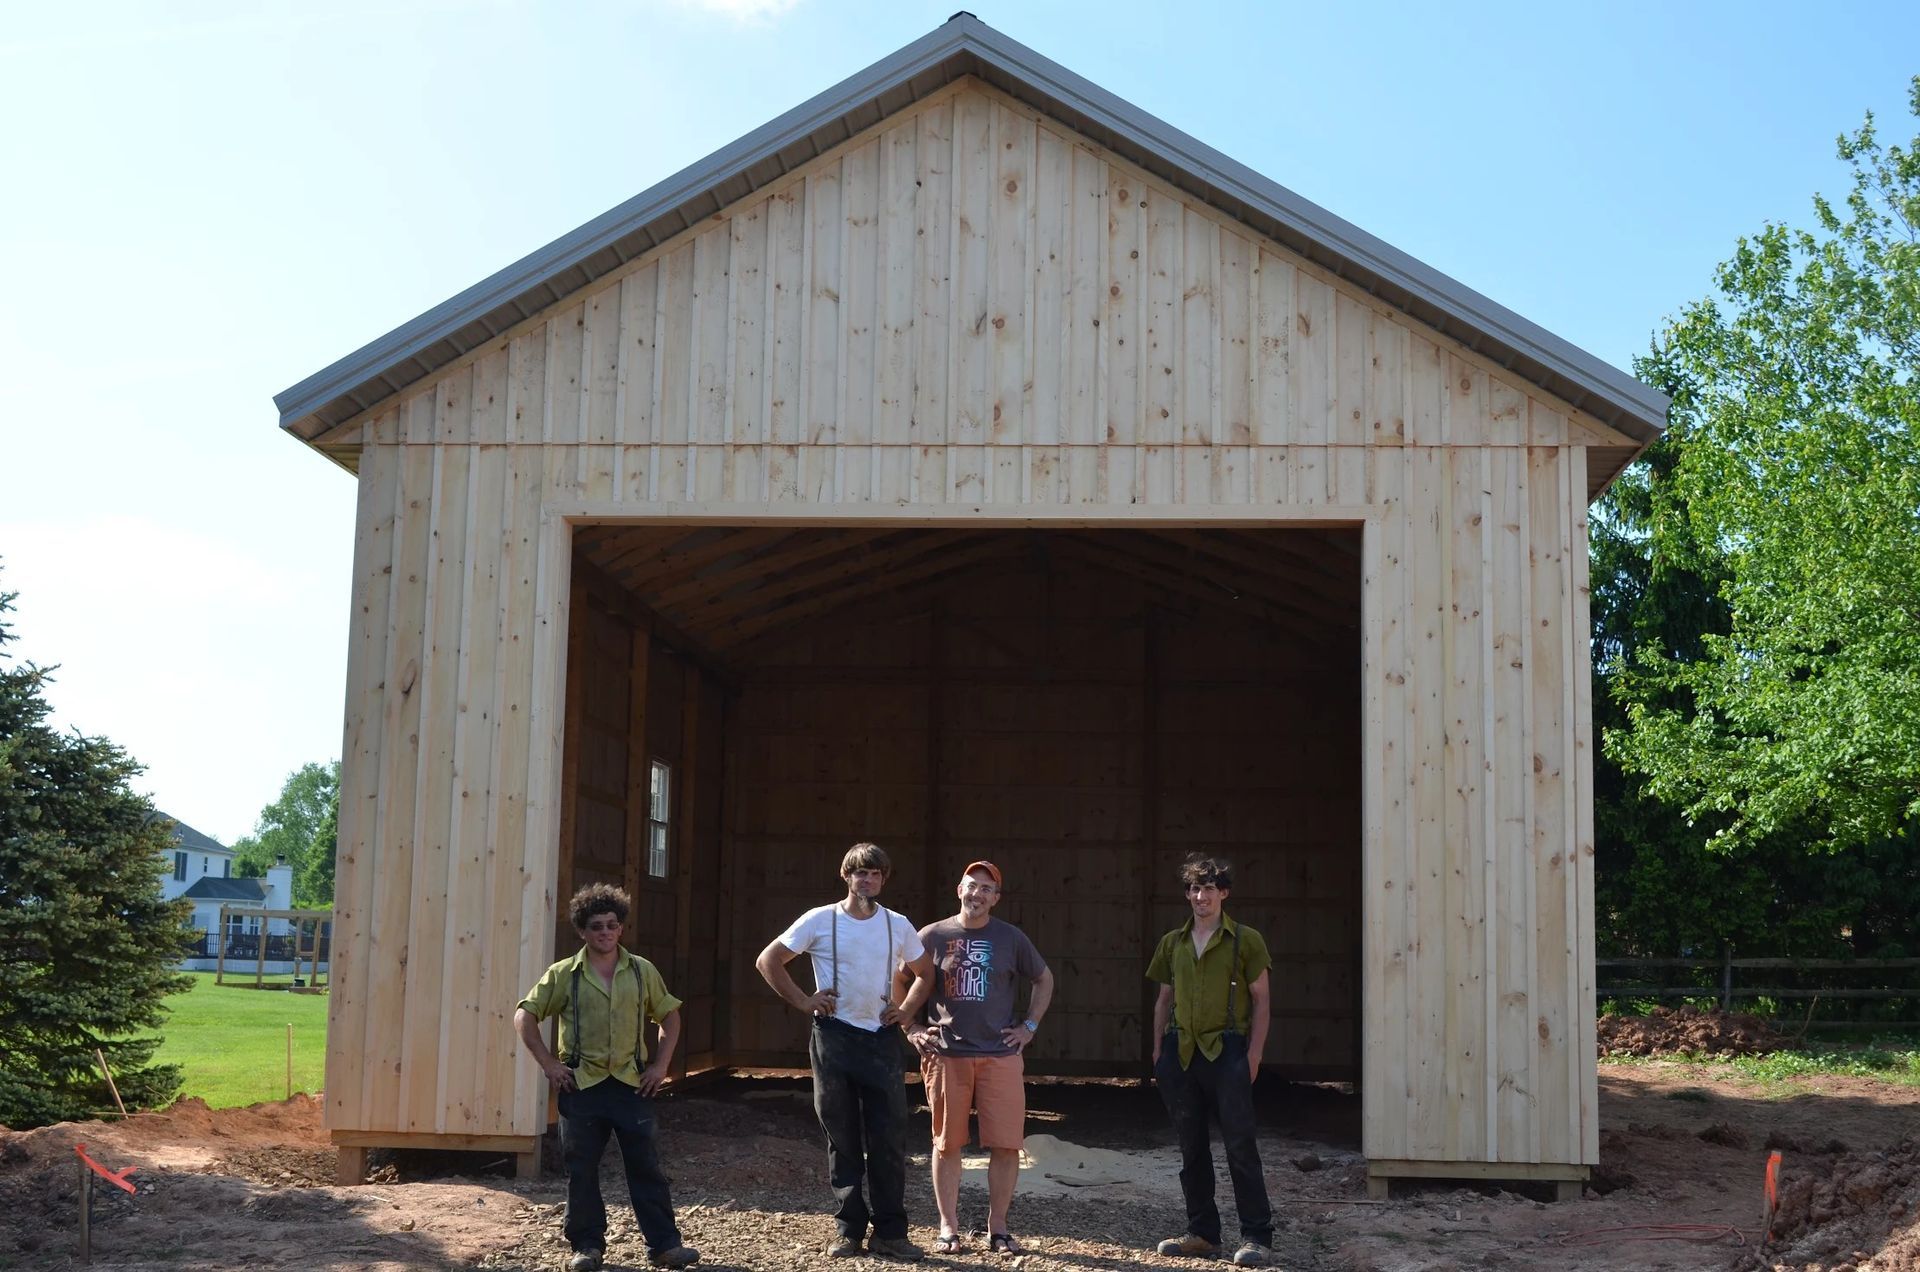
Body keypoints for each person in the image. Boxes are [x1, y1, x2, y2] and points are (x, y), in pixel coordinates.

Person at [756, 843, 935, 1260]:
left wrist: (906, 1011)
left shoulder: (898, 924)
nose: (867, 880)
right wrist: (804, 1000)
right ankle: (848, 1229)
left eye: (874, 874)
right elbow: (769, 960)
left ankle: (891, 1232)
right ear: (846, 875)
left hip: (880, 1038)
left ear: (883, 879)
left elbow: (925, 973)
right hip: (834, 1036)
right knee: (842, 1136)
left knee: (889, 1137)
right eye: (859, 873)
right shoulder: (821, 920)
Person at [515, 884, 700, 1272]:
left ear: (621, 928)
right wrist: (549, 1064)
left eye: (612, 925)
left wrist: (661, 1065)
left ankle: (665, 1247)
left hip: (633, 1084)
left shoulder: (641, 970)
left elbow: (669, 1015)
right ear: (582, 931)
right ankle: (586, 1248)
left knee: (646, 1166)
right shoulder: (564, 974)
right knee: (581, 1170)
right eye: (596, 926)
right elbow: (525, 1016)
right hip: (581, 1085)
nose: (605, 932)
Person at [903, 860, 1054, 1256]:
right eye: (972, 886)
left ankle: (999, 1228)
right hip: (947, 1055)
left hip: (1001, 1056)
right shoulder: (932, 936)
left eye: (987, 889)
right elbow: (901, 977)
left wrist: (1030, 1027)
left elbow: (1044, 978)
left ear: (996, 899)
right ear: (959, 890)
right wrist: (911, 1028)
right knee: (946, 1144)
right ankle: (947, 1227)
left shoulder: (1011, 938)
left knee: (1006, 1145)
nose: (978, 894)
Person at [1146, 854, 1275, 1267]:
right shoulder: (1173, 942)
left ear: (1224, 893)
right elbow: (1164, 999)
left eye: (1208, 889)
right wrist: (1157, 1051)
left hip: (1228, 1050)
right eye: (1193, 889)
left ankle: (1256, 1236)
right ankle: (1202, 1233)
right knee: (1191, 1148)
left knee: (1240, 1146)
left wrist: (1254, 1054)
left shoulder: (1245, 940)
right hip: (1181, 1052)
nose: (1200, 896)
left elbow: (1262, 1000)